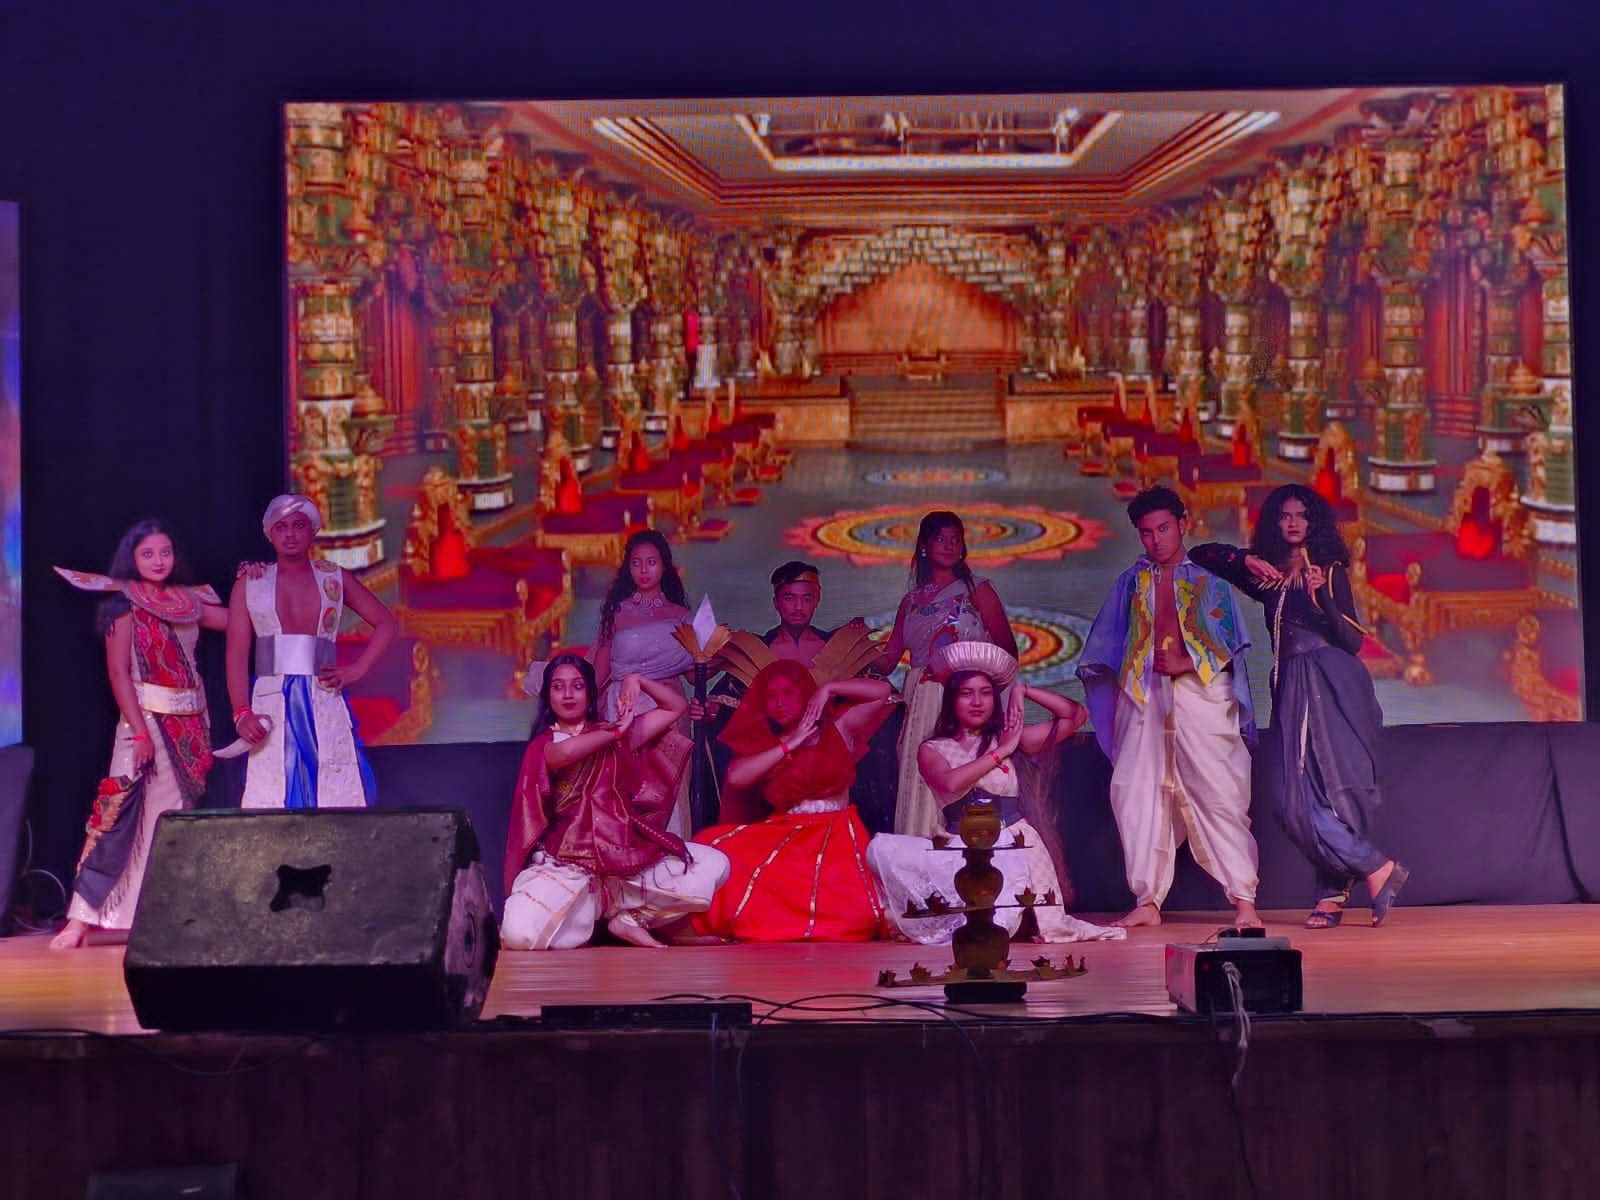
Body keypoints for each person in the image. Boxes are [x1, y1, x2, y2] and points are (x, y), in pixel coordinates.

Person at [1189, 484, 1409, 928]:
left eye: (1301, 515)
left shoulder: (1329, 571)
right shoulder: (1268, 575)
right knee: (1290, 801)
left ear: (1314, 522)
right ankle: (1375, 867)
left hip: (1329, 682)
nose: (1292, 523)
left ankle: (1331, 896)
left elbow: (1351, 641)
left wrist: (1321, 596)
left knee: (1333, 792)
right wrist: (1243, 560)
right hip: (1291, 683)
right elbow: (1200, 553)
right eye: (1284, 515)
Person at [1077, 486, 1263, 930]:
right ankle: (1147, 900)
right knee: (1136, 793)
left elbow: (1230, 642)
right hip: (1143, 698)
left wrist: (1187, 662)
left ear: (1182, 524)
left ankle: (1244, 902)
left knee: (1219, 793)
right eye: (1146, 532)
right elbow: (1105, 644)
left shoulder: (1211, 579)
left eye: (1163, 528)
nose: (1155, 539)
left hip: (1201, 697)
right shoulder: (1131, 582)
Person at [865, 645, 1125, 946]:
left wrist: (1022, 691)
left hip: (1014, 843)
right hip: (960, 847)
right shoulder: (934, 748)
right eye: (967, 693)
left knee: (995, 923)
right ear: (952, 700)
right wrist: (1001, 752)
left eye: (986, 693)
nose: (977, 702)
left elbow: (1076, 715)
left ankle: (1022, 920)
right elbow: (950, 783)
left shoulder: (1010, 738)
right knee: (882, 850)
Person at [50, 520, 228, 949]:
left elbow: (242, 622)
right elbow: (118, 673)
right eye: (148, 554)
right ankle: (80, 919)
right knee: (117, 814)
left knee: (173, 823)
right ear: (132, 558)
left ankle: (161, 914)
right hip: (143, 723)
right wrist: (141, 733)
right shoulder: (123, 605)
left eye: (165, 552)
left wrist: (253, 582)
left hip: (190, 727)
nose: (158, 561)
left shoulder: (188, 602)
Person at [501, 654, 730, 949]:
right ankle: (590, 913)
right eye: (558, 687)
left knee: (715, 864)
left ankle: (630, 918)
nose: (568, 694)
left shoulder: (613, 736)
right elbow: (565, 754)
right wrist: (617, 731)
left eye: (578, 686)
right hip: (567, 868)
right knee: (519, 935)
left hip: (623, 865)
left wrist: (637, 679)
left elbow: (675, 708)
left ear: (590, 693)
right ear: (548, 696)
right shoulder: (545, 745)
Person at [691, 661, 893, 942]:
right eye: (771, 696)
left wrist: (829, 688)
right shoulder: (768, 743)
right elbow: (737, 777)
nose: (779, 703)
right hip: (786, 833)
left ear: (806, 694)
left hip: (837, 833)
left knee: (851, 919)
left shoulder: (840, 726)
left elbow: (882, 691)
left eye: (788, 693)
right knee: (708, 843)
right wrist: (790, 743)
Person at [696, 560, 898, 829]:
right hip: (776, 762)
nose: (798, 606)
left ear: (818, 600)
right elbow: (729, 707)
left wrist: (829, 691)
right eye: (790, 598)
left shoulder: (840, 647)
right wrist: (711, 713)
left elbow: (882, 695)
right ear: (776, 602)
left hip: (831, 753)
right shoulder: (755, 650)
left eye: (807, 598)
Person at [226, 494, 396, 808]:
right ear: (269, 533)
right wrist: (241, 713)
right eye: (281, 527)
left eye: (299, 525)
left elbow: (386, 622)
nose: (290, 534)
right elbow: (236, 653)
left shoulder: (335, 577)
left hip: (323, 695)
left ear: (313, 530)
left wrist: (358, 669)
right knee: (272, 790)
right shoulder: (250, 583)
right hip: (270, 698)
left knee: (337, 787)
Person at [873, 512, 1016, 838]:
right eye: (941, 539)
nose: (950, 546)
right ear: (924, 545)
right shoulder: (910, 602)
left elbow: (1007, 650)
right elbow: (889, 660)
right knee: (920, 777)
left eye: (955, 539)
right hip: (919, 699)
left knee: (960, 773)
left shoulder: (977, 590)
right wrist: (854, 646)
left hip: (963, 695)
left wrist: (960, 673)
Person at [592, 529, 694, 725]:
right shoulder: (617, 612)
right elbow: (599, 673)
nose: (644, 570)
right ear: (628, 568)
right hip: (624, 706)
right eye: (636, 563)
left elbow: (694, 676)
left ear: (664, 566)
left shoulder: (681, 616)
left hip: (668, 710)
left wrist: (724, 656)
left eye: (651, 562)